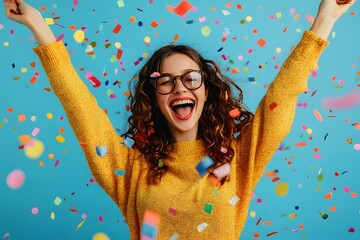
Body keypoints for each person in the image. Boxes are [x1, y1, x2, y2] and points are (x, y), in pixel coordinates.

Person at [3, 0, 355, 239]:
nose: (179, 87)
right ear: (154, 99)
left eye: (191, 78)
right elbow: (81, 108)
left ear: (205, 90)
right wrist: (38, 25)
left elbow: (282, 96)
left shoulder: (237, 161)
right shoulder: (132, 170)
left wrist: (325, 19)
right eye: (165, 81)